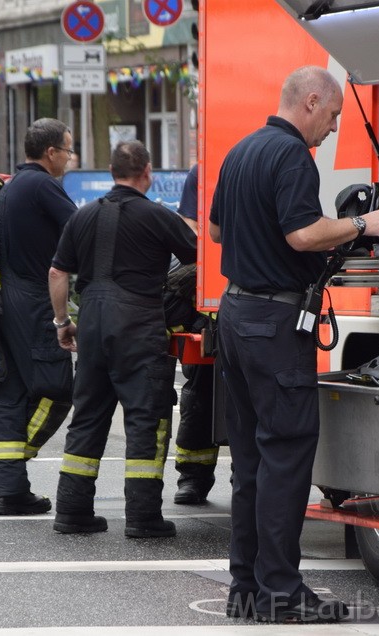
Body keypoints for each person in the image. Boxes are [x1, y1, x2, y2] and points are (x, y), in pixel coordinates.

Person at [209, 66, 379, 623]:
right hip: (272, 323)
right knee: (286, 458)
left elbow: (217, 232)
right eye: (334, 115)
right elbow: (303, 233)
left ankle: (247, 591)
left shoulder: (241, 150)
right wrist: (366, 223)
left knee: (251, 464)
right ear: (312, 101)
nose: (334, 127)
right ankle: (283, 596)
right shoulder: (291, 155)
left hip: (235, 315)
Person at [48, 140, 198, 537]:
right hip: (138, 323)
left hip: (93, 323)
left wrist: (63, 322)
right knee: (146, 417)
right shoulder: (157, 216)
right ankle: (143, 517)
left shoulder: (81, 218)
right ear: (146, 172)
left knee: (89, 415)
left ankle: (72, 511)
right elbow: (199, 259)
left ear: (112, 172)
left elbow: (57, 274)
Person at [0, 118, 78, 515]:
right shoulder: (44, 185)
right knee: (58, 388)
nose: (70, 157)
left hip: (5, 304)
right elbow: (81, 230)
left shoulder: (12, 186)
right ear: (51, 153)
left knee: (9, 395)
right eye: (67, 150)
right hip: (33, 302)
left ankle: (9, 490)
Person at [170, 163, 219, 506]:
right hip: (210, 303)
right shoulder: (202, 172)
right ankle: (193, 476)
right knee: (202, 393)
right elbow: (189, 233)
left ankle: (247, 475)